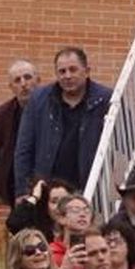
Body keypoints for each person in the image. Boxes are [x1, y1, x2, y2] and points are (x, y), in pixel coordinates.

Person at [13, 46, 113, 195]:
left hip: (90, 190)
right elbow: (24, 149)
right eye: (62, 71)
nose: (67, 76)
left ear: (87, 71)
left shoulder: (106, 100)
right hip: (47, 190)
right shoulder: (39, 100)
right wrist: (22, 191)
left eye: (73, 70)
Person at [0, 59, 39, 201]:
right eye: (17, 80)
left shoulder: (53, 110)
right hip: (16, 191)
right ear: (11, 87)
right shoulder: (2, 115)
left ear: (38, 80)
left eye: (27, 77)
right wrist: (2, 186)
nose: (23, 84)